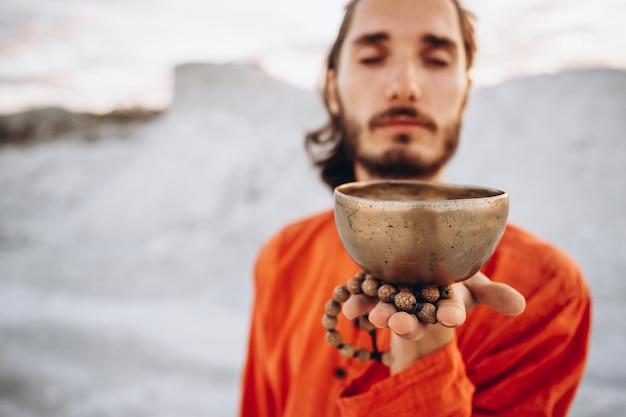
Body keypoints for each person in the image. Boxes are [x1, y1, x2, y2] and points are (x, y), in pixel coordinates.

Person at [239, 0, 591, 415]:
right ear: (333, 91)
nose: (405, 85)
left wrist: (425, 345)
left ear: (464, 93)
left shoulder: (545, 290)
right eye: (372, 57)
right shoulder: (283, 257)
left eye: (437, 60)